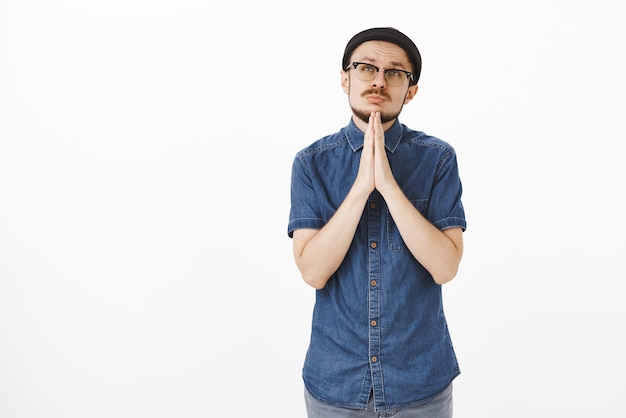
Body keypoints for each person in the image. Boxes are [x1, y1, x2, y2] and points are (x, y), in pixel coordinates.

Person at [288, 27, 466, 417]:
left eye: (395, 73)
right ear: (345, 78)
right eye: (367, 67)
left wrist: (387, 185)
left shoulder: (437, 159)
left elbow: (445, 266)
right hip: (335, 382)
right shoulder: (311, 163)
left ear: (411, 90)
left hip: (421, 382)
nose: (379, 81)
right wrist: (359, 190)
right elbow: (313, 272)